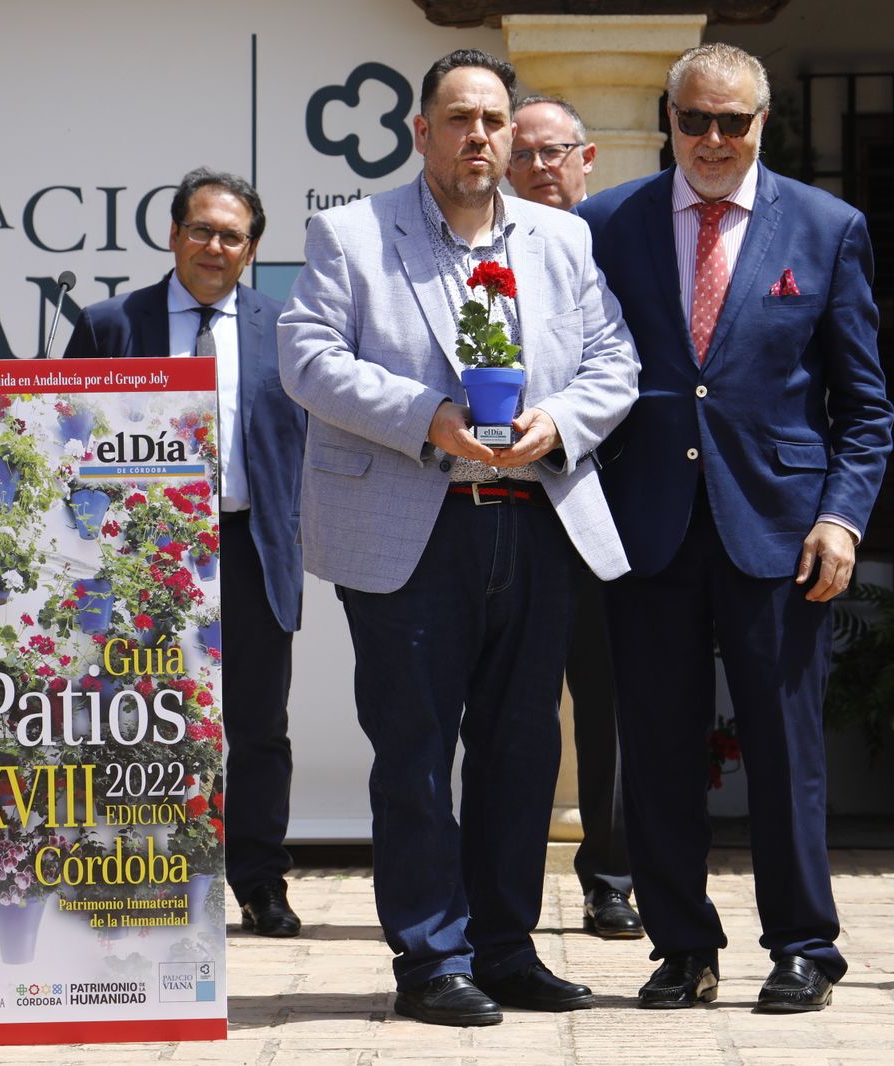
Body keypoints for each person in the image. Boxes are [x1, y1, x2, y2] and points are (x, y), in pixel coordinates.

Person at [279, 50, 639, 1027]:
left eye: (493, 120)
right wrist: (425, 413)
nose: (478, 136)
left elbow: (614, 360)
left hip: (533, 523)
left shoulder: (561, 241)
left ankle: (506, 948)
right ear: (421, 132)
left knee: (522, 752)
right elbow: (306, 358)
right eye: (458, 118)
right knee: (415, 753)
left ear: (511, 133)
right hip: (413, 528)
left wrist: (558, 421)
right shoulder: (352, 234)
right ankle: (430, 959)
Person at [576, 43, 893, 1012]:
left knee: (785, 748)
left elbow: (865, 407)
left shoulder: (828, 226)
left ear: (763, 123)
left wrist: (840, 517)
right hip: (648, 528)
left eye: (733, 123)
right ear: (667, 118)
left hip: (782, 532)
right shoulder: (604, 226)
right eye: (693, 121)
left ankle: (803, 945)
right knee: (658, 750)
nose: (712, 141)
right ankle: (681, 946)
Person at [62, 167, 308, 939]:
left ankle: (260, 882)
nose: (214, 246)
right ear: (172, 236)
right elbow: (63, 434)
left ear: (253, 248)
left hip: (249, 546)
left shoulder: (288, 328)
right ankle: (138, 873)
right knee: (136, 721)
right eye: (200, 230)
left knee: (259, 726)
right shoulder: (111, 325)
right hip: (142, 559)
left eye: (231, 235)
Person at [506, 94, 642, 942]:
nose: (540, 166)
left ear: (587, 158)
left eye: (556, 150)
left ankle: (613, 877)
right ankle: (500, 882)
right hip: (496, 506)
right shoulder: (476, 248)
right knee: (508, 709)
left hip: (608, 506)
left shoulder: (621, 243)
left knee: (610, 705)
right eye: (525, 152)